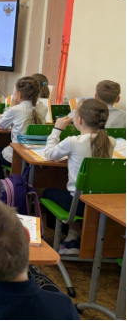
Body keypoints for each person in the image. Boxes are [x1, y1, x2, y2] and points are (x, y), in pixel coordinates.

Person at [43, 99, 116, 255]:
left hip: (78, 204)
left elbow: (48, 154)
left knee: (48, 192)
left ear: (80, 120)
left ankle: (71, 235)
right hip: (99, 203)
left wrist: (57, 129)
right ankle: (73, 235)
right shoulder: (111, 142)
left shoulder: (73, 142)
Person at [0, 77, 48, 194]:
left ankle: (0, 185)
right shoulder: (43, 108)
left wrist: (11, 106)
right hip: (36, 154)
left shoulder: (16, 109)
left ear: (19, 94)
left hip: (18, 156)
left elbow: (1, 124)